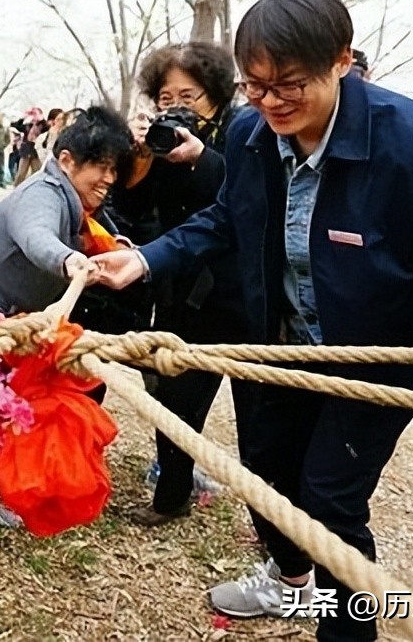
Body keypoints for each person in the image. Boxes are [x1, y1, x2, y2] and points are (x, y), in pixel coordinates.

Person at [92, 0, 413, 642]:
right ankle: (292, 585)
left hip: (375, 359)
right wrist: (144, 260)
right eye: (255, 85)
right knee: (266, 474)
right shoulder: (251, 133)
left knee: (328, 499)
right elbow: (226, 221)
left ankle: (347, 632)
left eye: (289, 84)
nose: (271, 102)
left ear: (342, 60)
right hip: (281, 345)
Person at [0, 105, 132, 581]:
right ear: (69, 160)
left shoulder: (79, 209)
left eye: (116, 169)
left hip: (4, 326)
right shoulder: (43, 192)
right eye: (103, 166)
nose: (109, 178)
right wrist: (70, 260)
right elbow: (37, 238)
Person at [106, 42, 255, 528]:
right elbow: (133, 208)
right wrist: (139, 159)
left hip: (242, 297)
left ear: (214, 93)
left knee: (261, 423)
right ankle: (171, 496)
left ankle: (278, 533)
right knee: (175, 405)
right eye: (167, 98)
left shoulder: (244, 130)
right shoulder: (162, 139)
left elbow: (249, 198)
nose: (178, 107)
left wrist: (203, 157)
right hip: (180, 296)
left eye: (189, 96)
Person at [11, 107, 45, 185]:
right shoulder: (27, 125)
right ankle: (17, 188)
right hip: (26, 150)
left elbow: (47, 127)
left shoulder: (42, 125)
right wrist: (24, 117)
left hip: (36, 150)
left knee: (37, 171)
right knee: (21, 172)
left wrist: (40, 118)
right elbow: (15, 125)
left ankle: (37, 187)